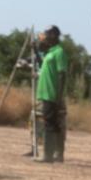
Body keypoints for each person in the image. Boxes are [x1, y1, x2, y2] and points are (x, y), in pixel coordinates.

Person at [30, 26, 68, 163]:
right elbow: (41, 65)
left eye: (46, 33)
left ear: (53, 35)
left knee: (50, 125)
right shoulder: (49, 52)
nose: (44, 36)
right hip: (45, 93)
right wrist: (35, 48)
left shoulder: (59, 52)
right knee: (53, 124)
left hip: (52, 94)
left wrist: (58, 96)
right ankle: (58, 155)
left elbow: (62, 75)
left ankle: (48, 155)